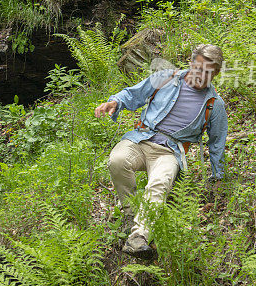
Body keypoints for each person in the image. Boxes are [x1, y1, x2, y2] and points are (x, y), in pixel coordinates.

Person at [94, 44, 228, 259]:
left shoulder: (214, 104)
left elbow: (217, 142)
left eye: (209, 72)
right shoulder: (166, 78)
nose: (202, 76)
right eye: (199, 68)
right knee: (118, 161)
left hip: (169, 151)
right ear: (192, 63)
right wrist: (115, 101)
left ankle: (139, 237)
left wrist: (218, 176)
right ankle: (130, 214)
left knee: (159, 183)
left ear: (216, 74)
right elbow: (134, 94)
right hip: (141, 139)